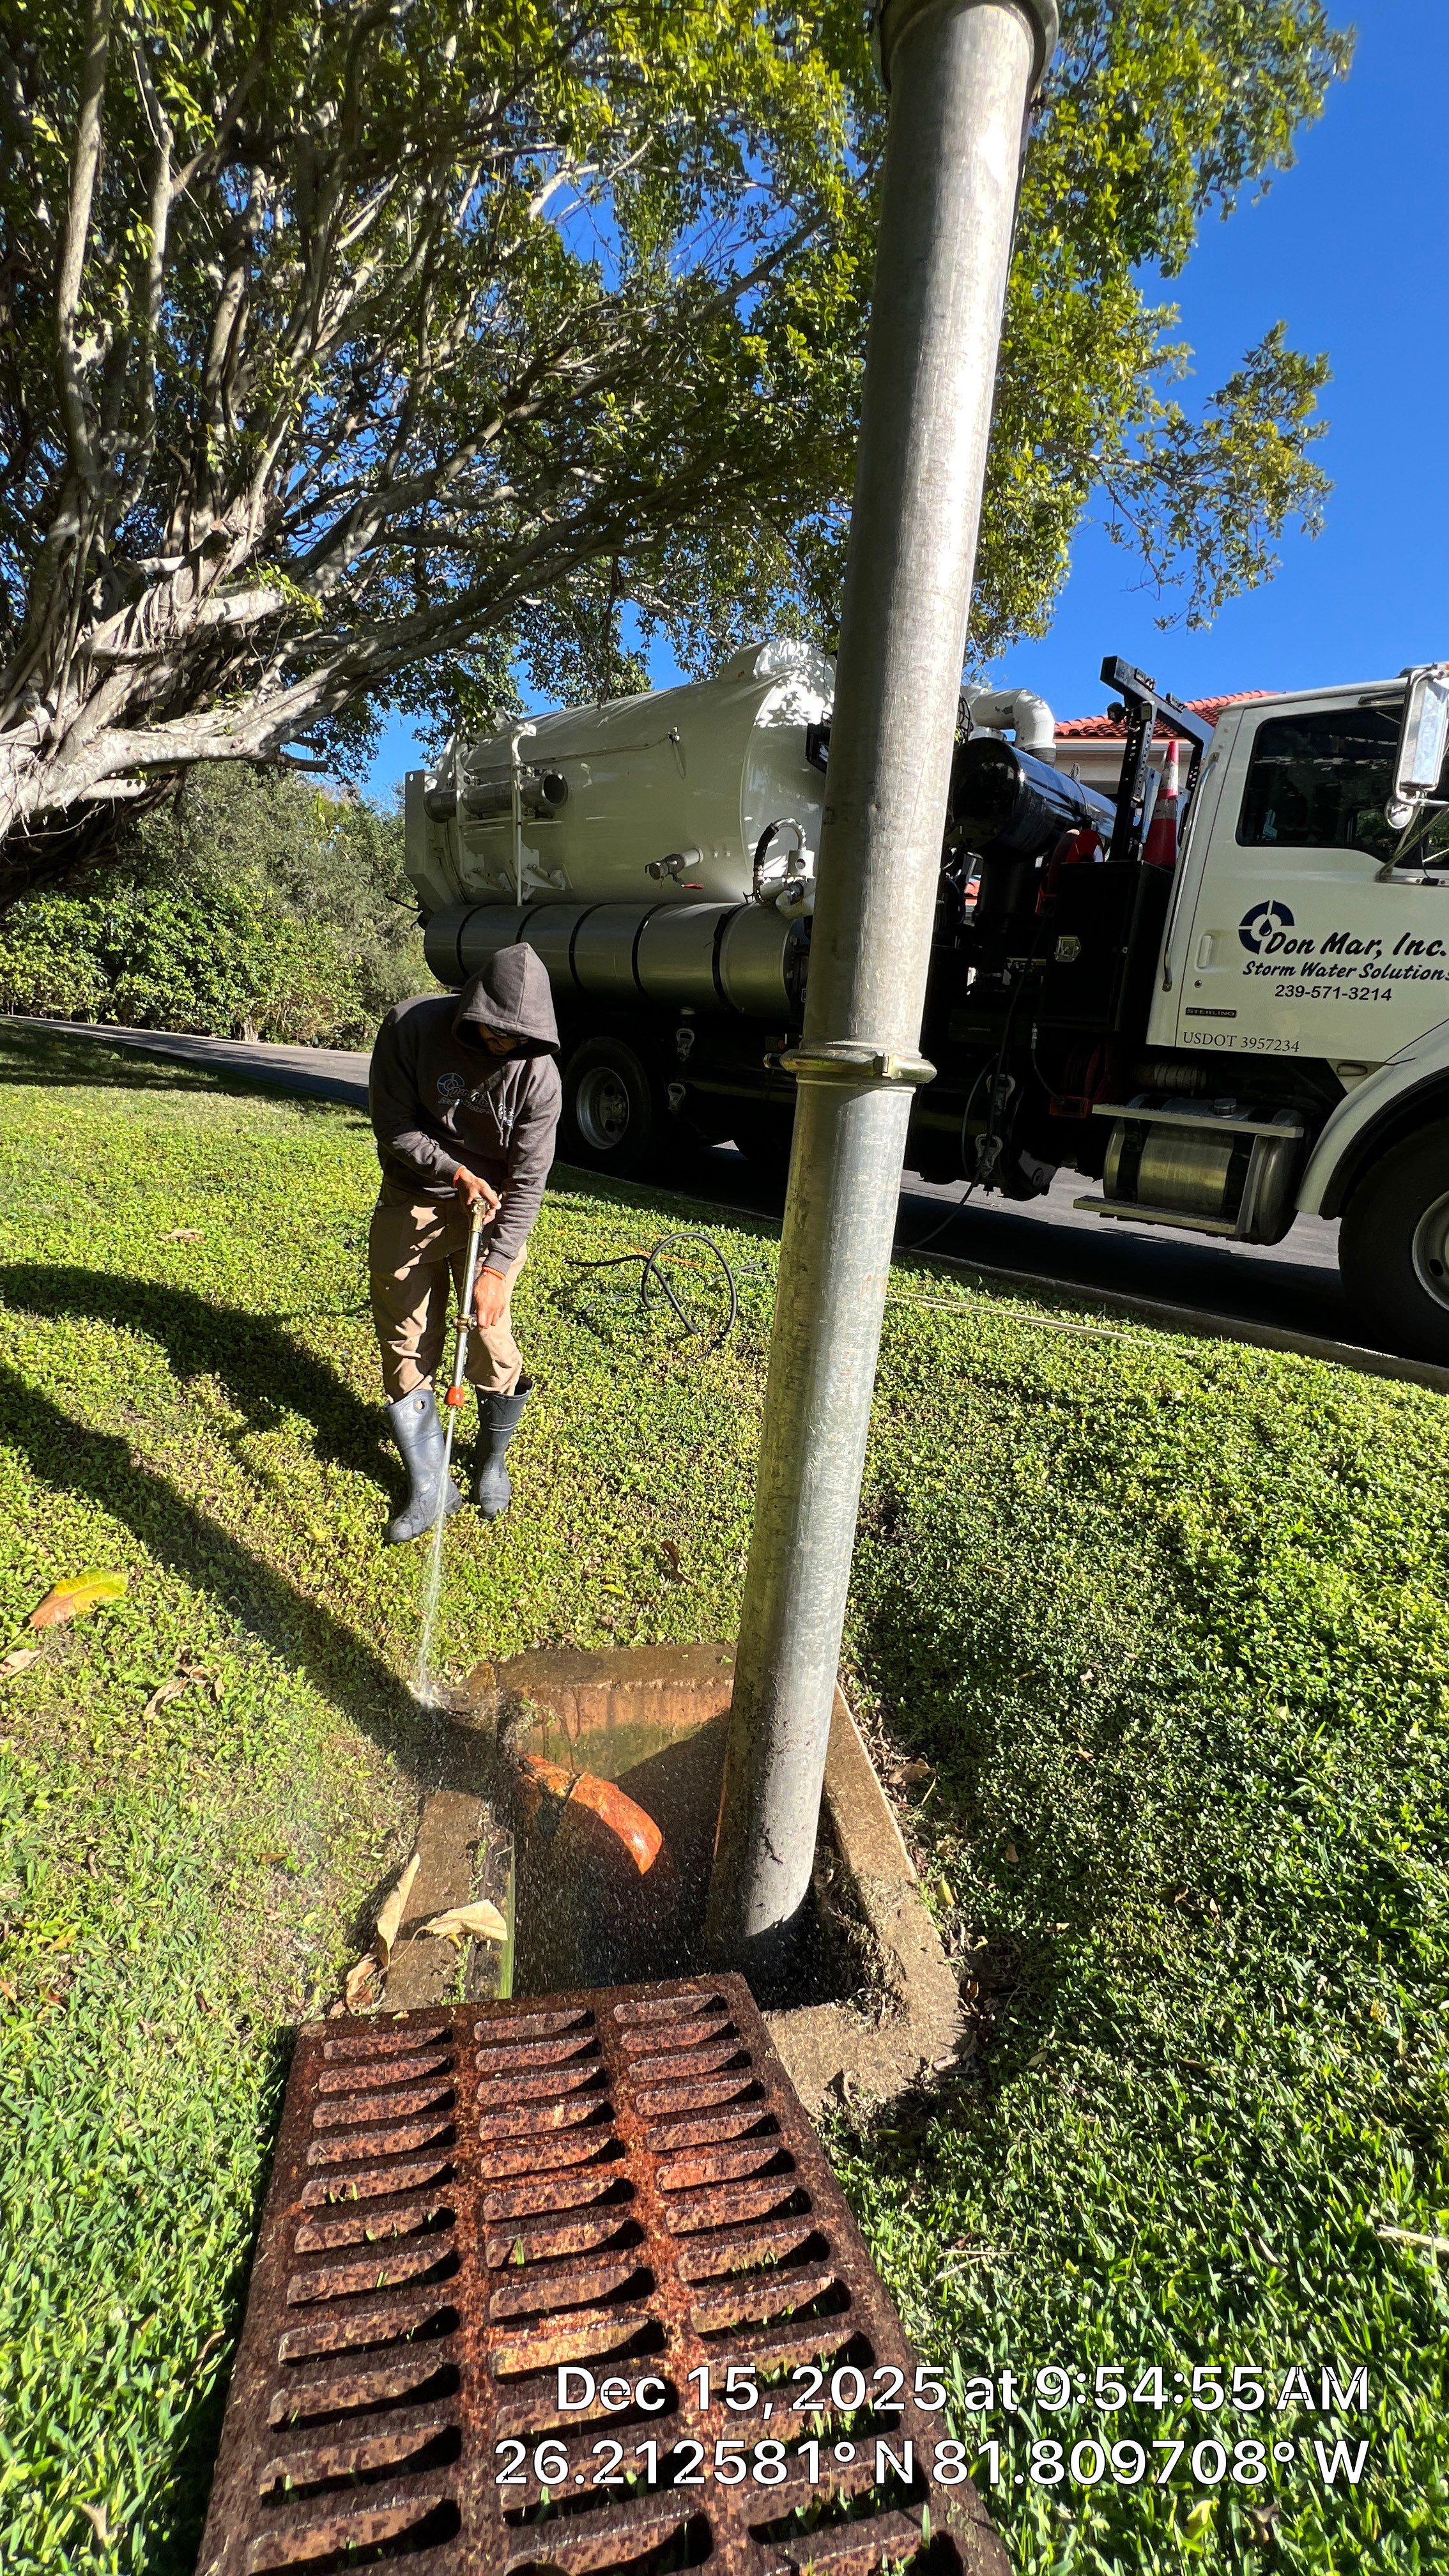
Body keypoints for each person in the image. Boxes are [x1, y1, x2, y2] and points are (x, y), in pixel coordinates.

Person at [367, 945, 562, 1543]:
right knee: (404, 1330)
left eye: (519, 1037)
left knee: (487, 1332)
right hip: (415, 1195)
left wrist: (496, 1268)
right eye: (496, 1031)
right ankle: (431, 1484)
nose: (505, 1044)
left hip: (495, 1211)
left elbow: (528, 1182)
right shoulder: (411, 1027)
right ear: (473, 1005)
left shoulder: (540, 1078)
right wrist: (455, 1172)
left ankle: (491, 1459)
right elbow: (394, 1123)